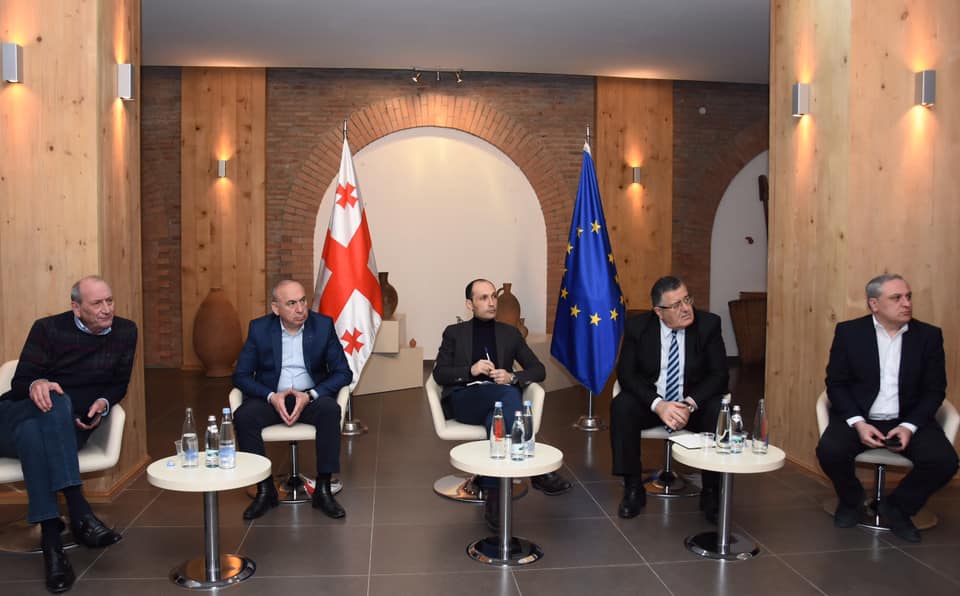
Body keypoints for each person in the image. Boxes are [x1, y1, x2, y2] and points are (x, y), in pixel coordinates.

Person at [0, 276, 137, 593]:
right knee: (56, 399)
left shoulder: (125, 331)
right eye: (97, 303)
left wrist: (102, 404)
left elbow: (119, 383)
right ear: (76, 308)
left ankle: (52, 541)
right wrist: (37, 384)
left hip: (66, 427)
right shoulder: (48, 329)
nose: (107, 309)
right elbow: (20, 384)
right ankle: (79, 510)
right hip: (15, 416)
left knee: (36, 434)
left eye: (109, 301)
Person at [816, 274, 958, 542]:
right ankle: (851, 500)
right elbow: (836, 384)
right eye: (896, 298)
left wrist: (909, 427)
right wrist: (858, 423)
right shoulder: (849, 333)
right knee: (830, 451)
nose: (906, 303)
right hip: (861, 416)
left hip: (908, 417)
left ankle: (898, 507)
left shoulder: (928, 336)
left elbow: (934, 390)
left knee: (944, 461)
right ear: (874, 304)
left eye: (908, 297)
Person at [432, 279, 572, 525]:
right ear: (469, 304)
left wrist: (512, 377)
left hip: (499, 405)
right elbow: (439, 373)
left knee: (496, 419)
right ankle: (537, 471)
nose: (491, 302)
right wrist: (470, 370)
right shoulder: (454, 333)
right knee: (509, 396)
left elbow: (538, 370)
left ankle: (494, 497)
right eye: (483, 298)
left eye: (493, 297)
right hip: (465, 400)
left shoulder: (510, 333)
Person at [232, 280, 353, 520]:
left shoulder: (322, 326)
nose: (300, 309)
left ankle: (323, 489)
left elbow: (343, 372)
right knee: (244, 416)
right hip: (272, 397)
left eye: (303, 301)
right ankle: (265, 490)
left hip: (310, 396)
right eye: (291, 303)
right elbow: (241, 375)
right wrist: (271, 397)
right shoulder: (259, 329)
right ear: (276, 308)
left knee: (330, 410)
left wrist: (310, 395)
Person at [611, 275, 728, 521]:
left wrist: (688, 404)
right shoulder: (638, 327)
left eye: (687, 300)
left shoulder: (708, 325)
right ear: (659, 311)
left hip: (693, 407)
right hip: (652, 404)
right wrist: (659, 405)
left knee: (718, 408)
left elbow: (719, 375)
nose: (686, 308)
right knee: (622, 405)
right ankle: (633, 488)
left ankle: (711, 492)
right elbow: (626, 374)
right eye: (676, 305)